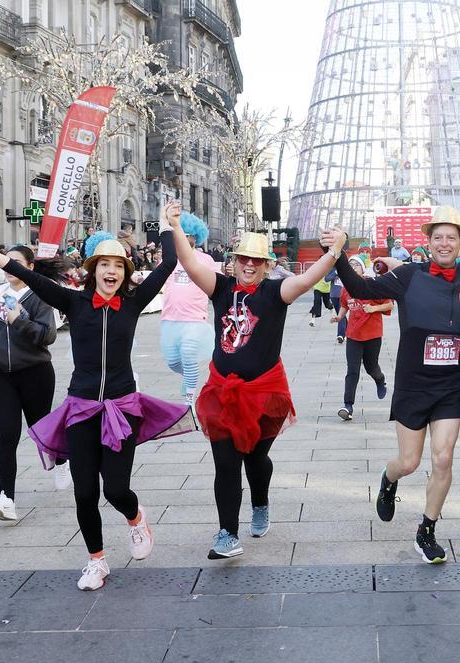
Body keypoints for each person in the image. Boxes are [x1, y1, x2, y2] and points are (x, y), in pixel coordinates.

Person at [0, 213, 191, 592]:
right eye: (105, 265)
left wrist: (168, 226)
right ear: (94, 270)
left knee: (115, 489)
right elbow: (27, 274)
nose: (111, 271)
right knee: (84, 493)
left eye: (118, 266)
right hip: (80, 409)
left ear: (125, 273)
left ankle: (135, 518)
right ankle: (96, 561)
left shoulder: (133, 302)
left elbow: (168, 264)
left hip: (121, 409)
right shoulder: (72, 302)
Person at [170, 211, 349, 562]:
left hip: (265, 393)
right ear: (234, 262)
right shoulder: (221, 288)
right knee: (226, 463)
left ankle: (261, 502)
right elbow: (189, 263)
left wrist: (335, 251)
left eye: (256, 261)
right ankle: (227, 534)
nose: (249, 266)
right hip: (222, 392)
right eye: (243, 260)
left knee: (255, 459)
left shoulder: (274, 292)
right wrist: (175, 227)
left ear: (266, 266)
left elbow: (309, 279)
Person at [339, 206, 460, 564]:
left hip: (450, 385)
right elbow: (360, 287)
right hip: (413, 385)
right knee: (410, 461)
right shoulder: (410, 276)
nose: (445, 243)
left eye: (452, 237)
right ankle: (389, 478)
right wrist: (339, 252)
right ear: (428, 241)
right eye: (438, 237)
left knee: (443, 458)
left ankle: (426, 531)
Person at [0, 246, 68, 522]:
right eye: (6, 262)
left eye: (15, 263)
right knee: (6, 436)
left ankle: (62, 459)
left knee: (41, 430)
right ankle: (6, 499)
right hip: (0, 373)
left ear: (29, 267)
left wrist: (20, 320)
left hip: (35, 372)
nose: (8, 267)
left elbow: (47, 336)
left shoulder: (39, 294)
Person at [160, 212, 218, 405]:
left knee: (189, 352)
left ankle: (189, 401)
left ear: (196, 237)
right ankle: (190, 377)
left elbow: (218, 283)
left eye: (190, 235)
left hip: (195, 318)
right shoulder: (168, 259)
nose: (186, 238)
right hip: (170, 318)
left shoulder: (206, 259)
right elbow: (157, 280)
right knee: (173, 361)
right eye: (182, 234)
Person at [334, 257, 392, 420]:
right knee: (352, 370)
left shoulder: (372, 284)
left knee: (371, 367)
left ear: (362, 268)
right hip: (353, 334)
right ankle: (348, 406)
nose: (352, 267)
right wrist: (339, 318)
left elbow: (389, 305)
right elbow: (345, 305)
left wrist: (374, 308)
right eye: (350, 265)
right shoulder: (346, 288)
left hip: (372, 334)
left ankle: (380, 380)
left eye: (356, 265)